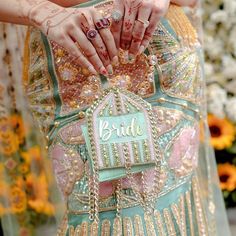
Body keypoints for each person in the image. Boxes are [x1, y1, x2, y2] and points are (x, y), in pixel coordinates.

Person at [0, 0, 231, 235]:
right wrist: (41, 11)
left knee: (172, 204)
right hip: (70, 58)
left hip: (159, 48)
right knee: (103, 213)